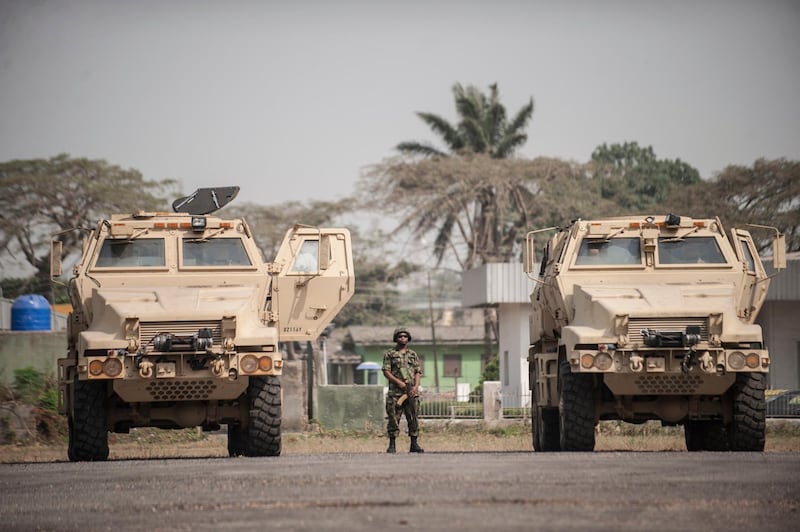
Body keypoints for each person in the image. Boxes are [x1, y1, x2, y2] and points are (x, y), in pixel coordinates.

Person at [382, 327, 424, 454]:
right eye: (400, 336)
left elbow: (417, 371)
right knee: (394, 418)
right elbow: (386, 371)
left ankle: (414, 444)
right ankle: (392, 445)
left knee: (413, 418)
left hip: (411, 392)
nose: (403, 338)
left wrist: (416, 387)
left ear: (408, 338)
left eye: (405, 336)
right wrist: (399, 383)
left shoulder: (412, 354)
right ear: (396, 338)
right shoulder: (390, 354)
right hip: (396, 393)